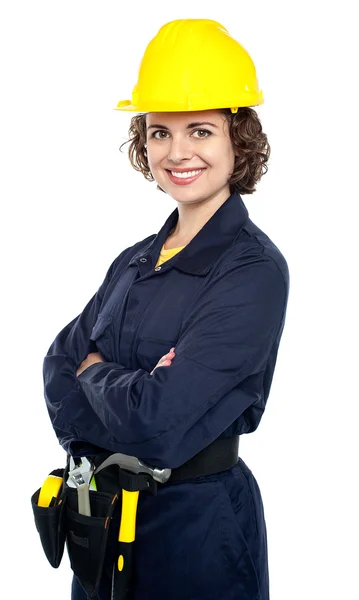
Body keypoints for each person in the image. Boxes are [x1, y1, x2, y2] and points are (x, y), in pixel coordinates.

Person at [43, 19, 290, 600]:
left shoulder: (251, 271)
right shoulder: (133, 261)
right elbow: (57, 370)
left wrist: (96, 371)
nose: (177, 154)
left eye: (200, 131)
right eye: (159, 133)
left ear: (239, 139)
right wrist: (127, 387)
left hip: (198, 535)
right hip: (103, 524)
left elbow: (157, 423)